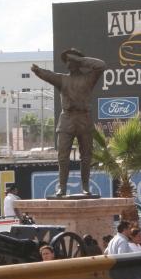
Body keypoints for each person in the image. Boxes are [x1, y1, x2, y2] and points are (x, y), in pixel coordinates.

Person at [31, 49, 107, 196]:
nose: (69, 63)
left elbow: (101, 65)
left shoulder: (89, 78)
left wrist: (80, 59)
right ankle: (62, 187)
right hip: (67, 119)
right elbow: (48, 75)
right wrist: (38, 71)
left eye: (72, 60)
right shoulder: (62, 79)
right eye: (68, 61)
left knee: (86, 156)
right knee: (62, 156)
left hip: (84, 119)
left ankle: (85, 187)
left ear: (78, 63)